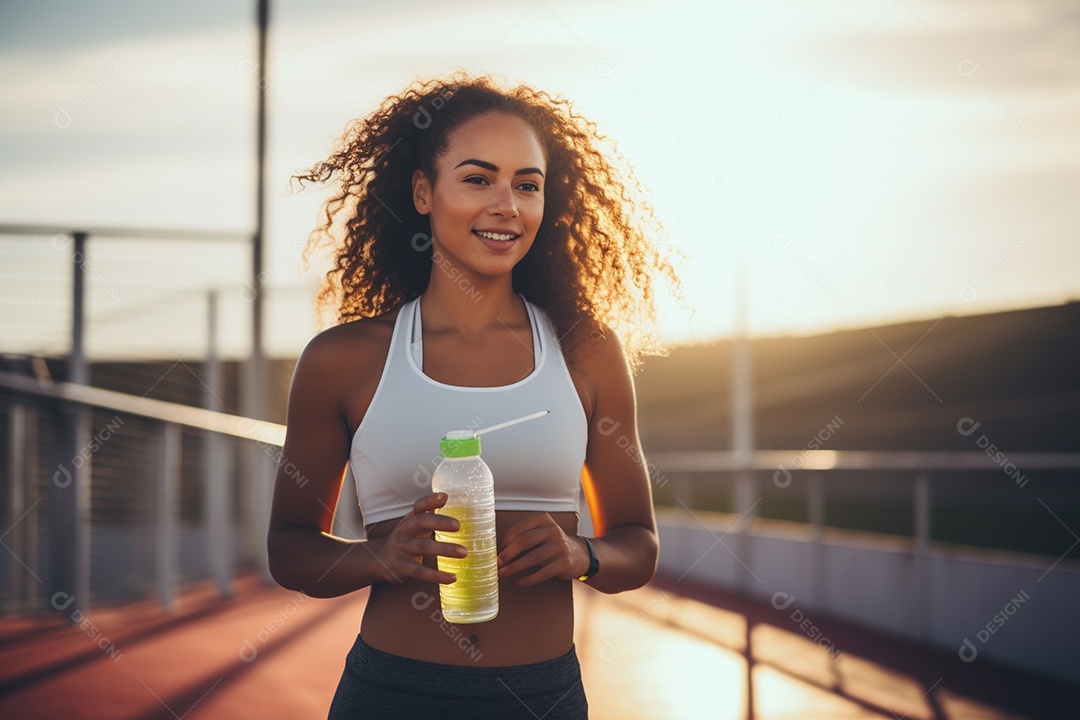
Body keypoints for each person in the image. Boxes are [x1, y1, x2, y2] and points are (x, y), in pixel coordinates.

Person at [268, 74, 679, 720]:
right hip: (391, 696)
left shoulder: (587, 352)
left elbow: (640, 544)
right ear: (423, 192)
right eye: (478, 179)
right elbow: (290, 547)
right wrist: (377, 557)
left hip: (544, 698)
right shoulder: (343, 361)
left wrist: (583, 553)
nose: (507, 206)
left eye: (527, 185)